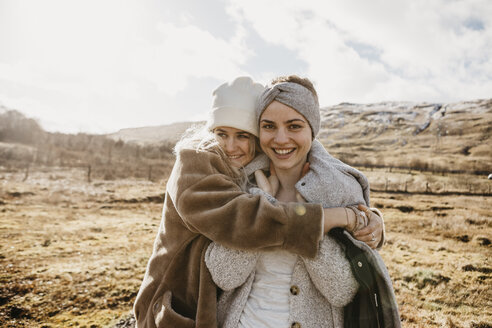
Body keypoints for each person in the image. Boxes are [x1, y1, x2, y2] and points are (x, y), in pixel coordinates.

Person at [133, 76, 385, 328]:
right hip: (179, 305)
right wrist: (332, 217)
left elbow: (341, 289)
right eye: (221, 133)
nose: (281, 138)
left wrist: (367, 219)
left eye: (242, 135)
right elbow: (230, 260)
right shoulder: (216, 171)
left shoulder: (333, 185)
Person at [205, 75, 400, 327]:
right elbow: (224, 275)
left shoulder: (339, 187)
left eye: (294, 126)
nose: (281, 138)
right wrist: (263, 202)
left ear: (312, 129)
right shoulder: (243, 182)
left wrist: (304, 219)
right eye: (269, 126)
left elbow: (340, 290)